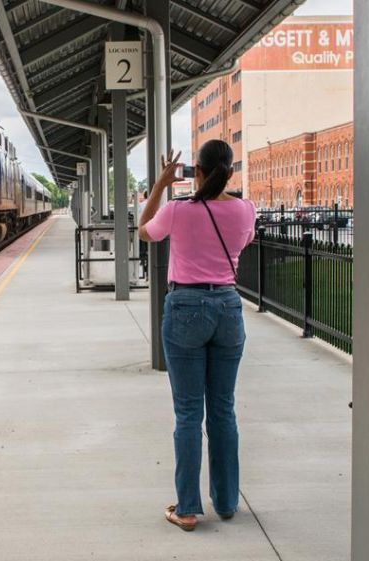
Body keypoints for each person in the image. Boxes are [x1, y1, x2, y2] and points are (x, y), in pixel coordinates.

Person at [138, 139, 257, 532]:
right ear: (230, 172)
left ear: (198, 172)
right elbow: (242, 241)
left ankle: (187, 508)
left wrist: (160, 184)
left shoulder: (177, 210)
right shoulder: (244, 210)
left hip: (186, 307)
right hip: (227, 308)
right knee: (223, 409)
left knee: (189, 412)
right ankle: (225, 502)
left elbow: (144, 232)